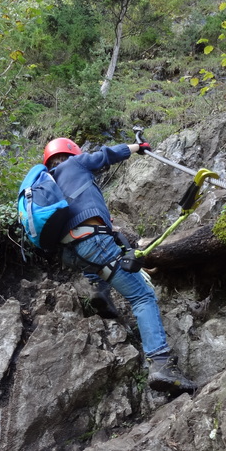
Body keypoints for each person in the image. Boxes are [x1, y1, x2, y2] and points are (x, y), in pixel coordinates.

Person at [43, 136, 197, 396]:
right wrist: (137, 148)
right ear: (72, 153)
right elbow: (103, 155)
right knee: (143, 297)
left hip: (72, 252)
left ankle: (98, 290)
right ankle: (161, 363)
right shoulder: (75, 165)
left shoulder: (50, 182)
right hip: (93, 242)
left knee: (97, 261)